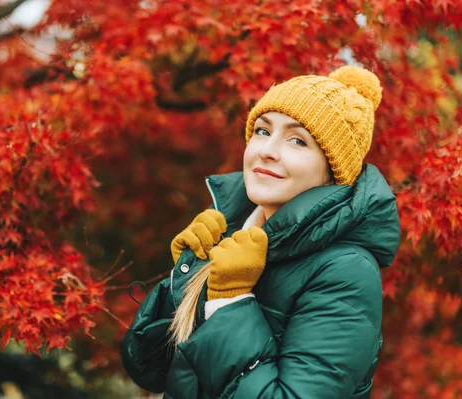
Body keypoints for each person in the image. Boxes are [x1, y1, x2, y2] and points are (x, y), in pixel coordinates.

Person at [120, 66, 401, 399]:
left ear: (332, 171)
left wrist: (231, 299)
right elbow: (148, 370)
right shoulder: (230, 234)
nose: (267, 150)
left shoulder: (346, 271)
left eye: (298, 140)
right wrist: (185, 274)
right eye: (263, 131)